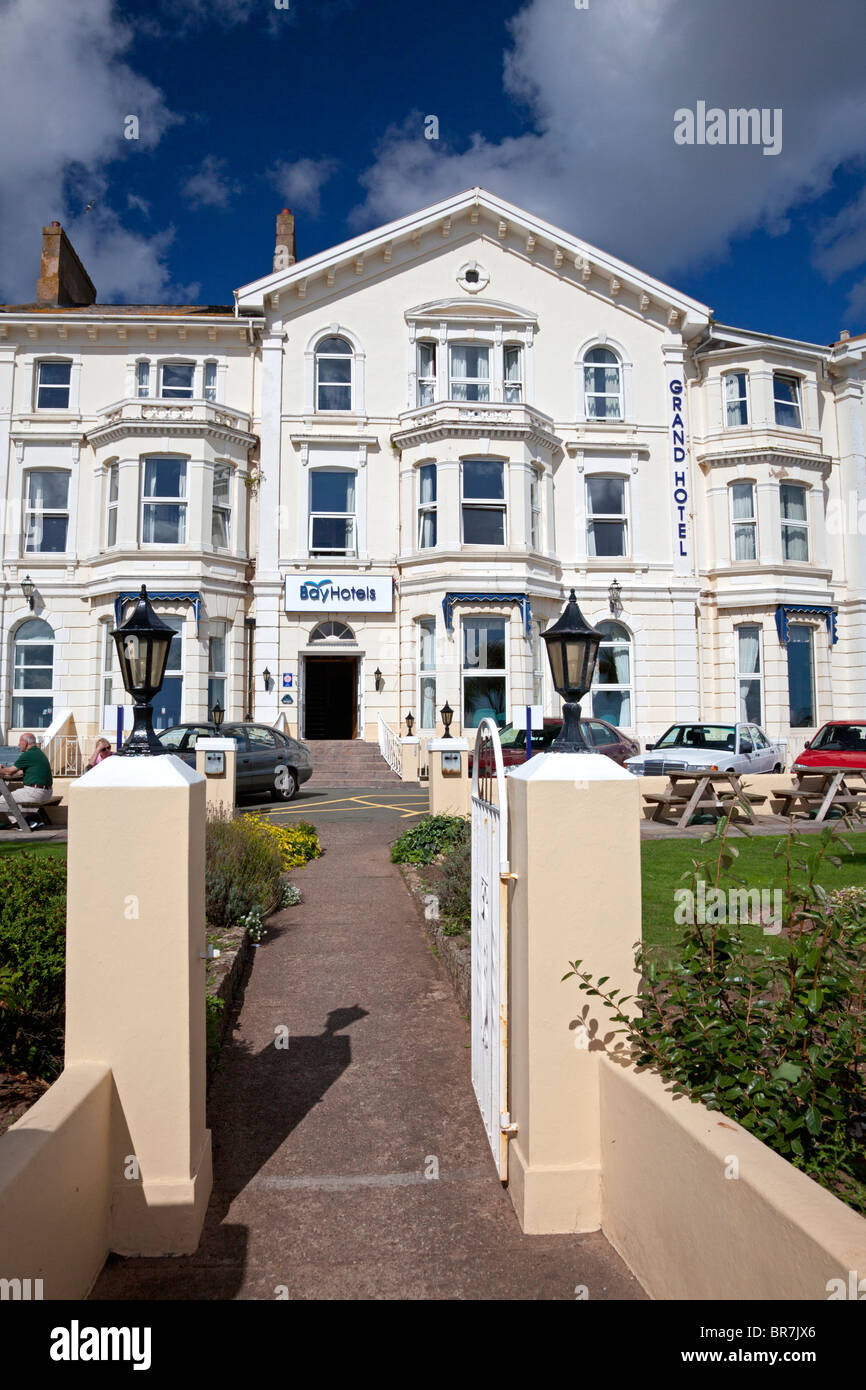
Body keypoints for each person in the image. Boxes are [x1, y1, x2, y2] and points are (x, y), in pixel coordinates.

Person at [0, 733, 54, 826]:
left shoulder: (28, 754)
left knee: (3, 799)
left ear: (25, 743)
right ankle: (35, 820)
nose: (18, 745)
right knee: (15, 798)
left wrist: (3, 770)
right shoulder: (38, 752)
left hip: (35, 792)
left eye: (20, 742)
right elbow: (19, 772)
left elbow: (9, 772)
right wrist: (3, 770)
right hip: (46, 792)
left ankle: (22, 823)